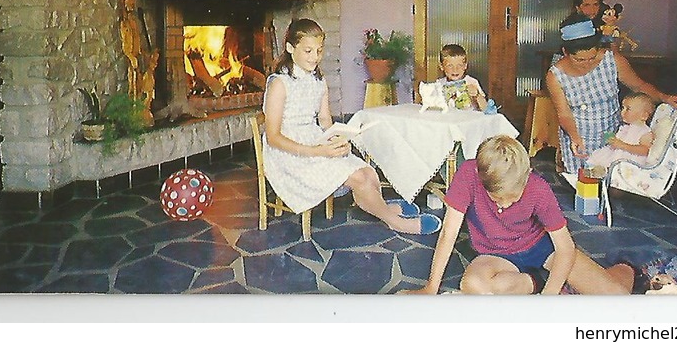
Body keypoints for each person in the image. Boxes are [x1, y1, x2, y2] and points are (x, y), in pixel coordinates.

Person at [262, 19, 440, 235]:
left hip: (314, 141)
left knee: (367, 171)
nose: (315, 57)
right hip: (289, 154)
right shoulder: (280, 83)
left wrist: (338, 139)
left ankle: (385, 208)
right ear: (290, 48)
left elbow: (325, 121)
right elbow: (273, 137)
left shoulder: (318, 80)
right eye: (308, 51)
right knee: (358, 178)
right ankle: (396, 221)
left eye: (319, 51)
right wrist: (317, 151)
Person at [404, 135, 636, 294]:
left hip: (543, 250)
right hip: (496, 254)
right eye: (499, 198)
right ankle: (537, 280)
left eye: (514, 196)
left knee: (616, 296)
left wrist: (549, 299)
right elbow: (448, 233)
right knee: (473, 286)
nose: (508, 203)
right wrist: (430, 288)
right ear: (481, 177)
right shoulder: (468, 175)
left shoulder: (538, 187)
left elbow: (565, 247)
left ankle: (627, 267)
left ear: (526, 176)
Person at [546, 13, 677, 179]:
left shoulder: (613, 60)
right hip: (580, 137)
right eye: (579, 60)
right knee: (584, 184)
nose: (586, 64)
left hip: (613, 136)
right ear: (565, 52)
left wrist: (664, 97)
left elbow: (639, 85)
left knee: (614, 181)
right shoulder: (555, 75)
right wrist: (575, 137)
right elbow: (564, 113)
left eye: (592, 58)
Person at [585, 93, 658, 170]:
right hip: (617, 156)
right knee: (597, 160)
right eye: (623, 108)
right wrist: (612, 139)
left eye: (628, 109)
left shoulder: (644, 132)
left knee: (604, 165)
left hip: (629, 162)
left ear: (644, 115)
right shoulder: (626, 127)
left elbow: (645, 150)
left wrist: (623, 145)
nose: (622, 112)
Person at [433, 44, 488, 112]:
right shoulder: (439, 83)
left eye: (460, 65)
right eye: (450, 66)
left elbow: (486, 109)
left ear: (465, 66)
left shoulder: (472, 82)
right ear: (441, 66)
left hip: (468, 120)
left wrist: (477, 95)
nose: (455, 69)